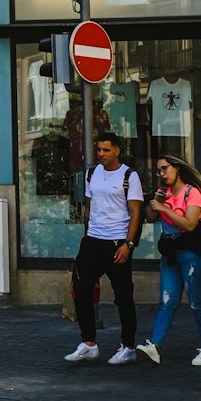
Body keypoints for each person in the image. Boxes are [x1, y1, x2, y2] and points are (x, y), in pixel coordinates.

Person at [65, 132, 143, 365]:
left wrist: (128, 244)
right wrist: (87, 235)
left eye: (106, 150)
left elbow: (136, 213)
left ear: (117, 150)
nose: (101, 154)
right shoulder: (92, 173)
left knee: (123, 296)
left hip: (117, 241)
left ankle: (128, 346)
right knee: (81, 289)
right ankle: (89, 343)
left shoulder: (129, 176)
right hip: (92, 240)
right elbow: (89, 207)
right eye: (99, 149)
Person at [136, 152, 201, 366]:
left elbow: (190, 224)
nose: (161, 173)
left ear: (177, 168)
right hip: (170, 254)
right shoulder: (163, 193)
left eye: (165, 168)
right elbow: (150, 217)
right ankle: (154, 345)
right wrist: (157, 201)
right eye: (159, 170)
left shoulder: (192, 193)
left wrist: (164, 208)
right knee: (167, 300)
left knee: (196, 302)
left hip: (192, 253)